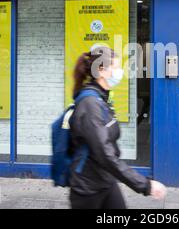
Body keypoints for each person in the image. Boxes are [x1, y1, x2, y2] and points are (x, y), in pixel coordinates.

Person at [69, 46, 167, 209]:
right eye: (116, 67)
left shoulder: (101, 99)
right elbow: (104, 153)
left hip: (105, 180)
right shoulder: (90, 104)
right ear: (101, 70)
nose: (120, 72)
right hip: (87, 189)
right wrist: (145, 185)